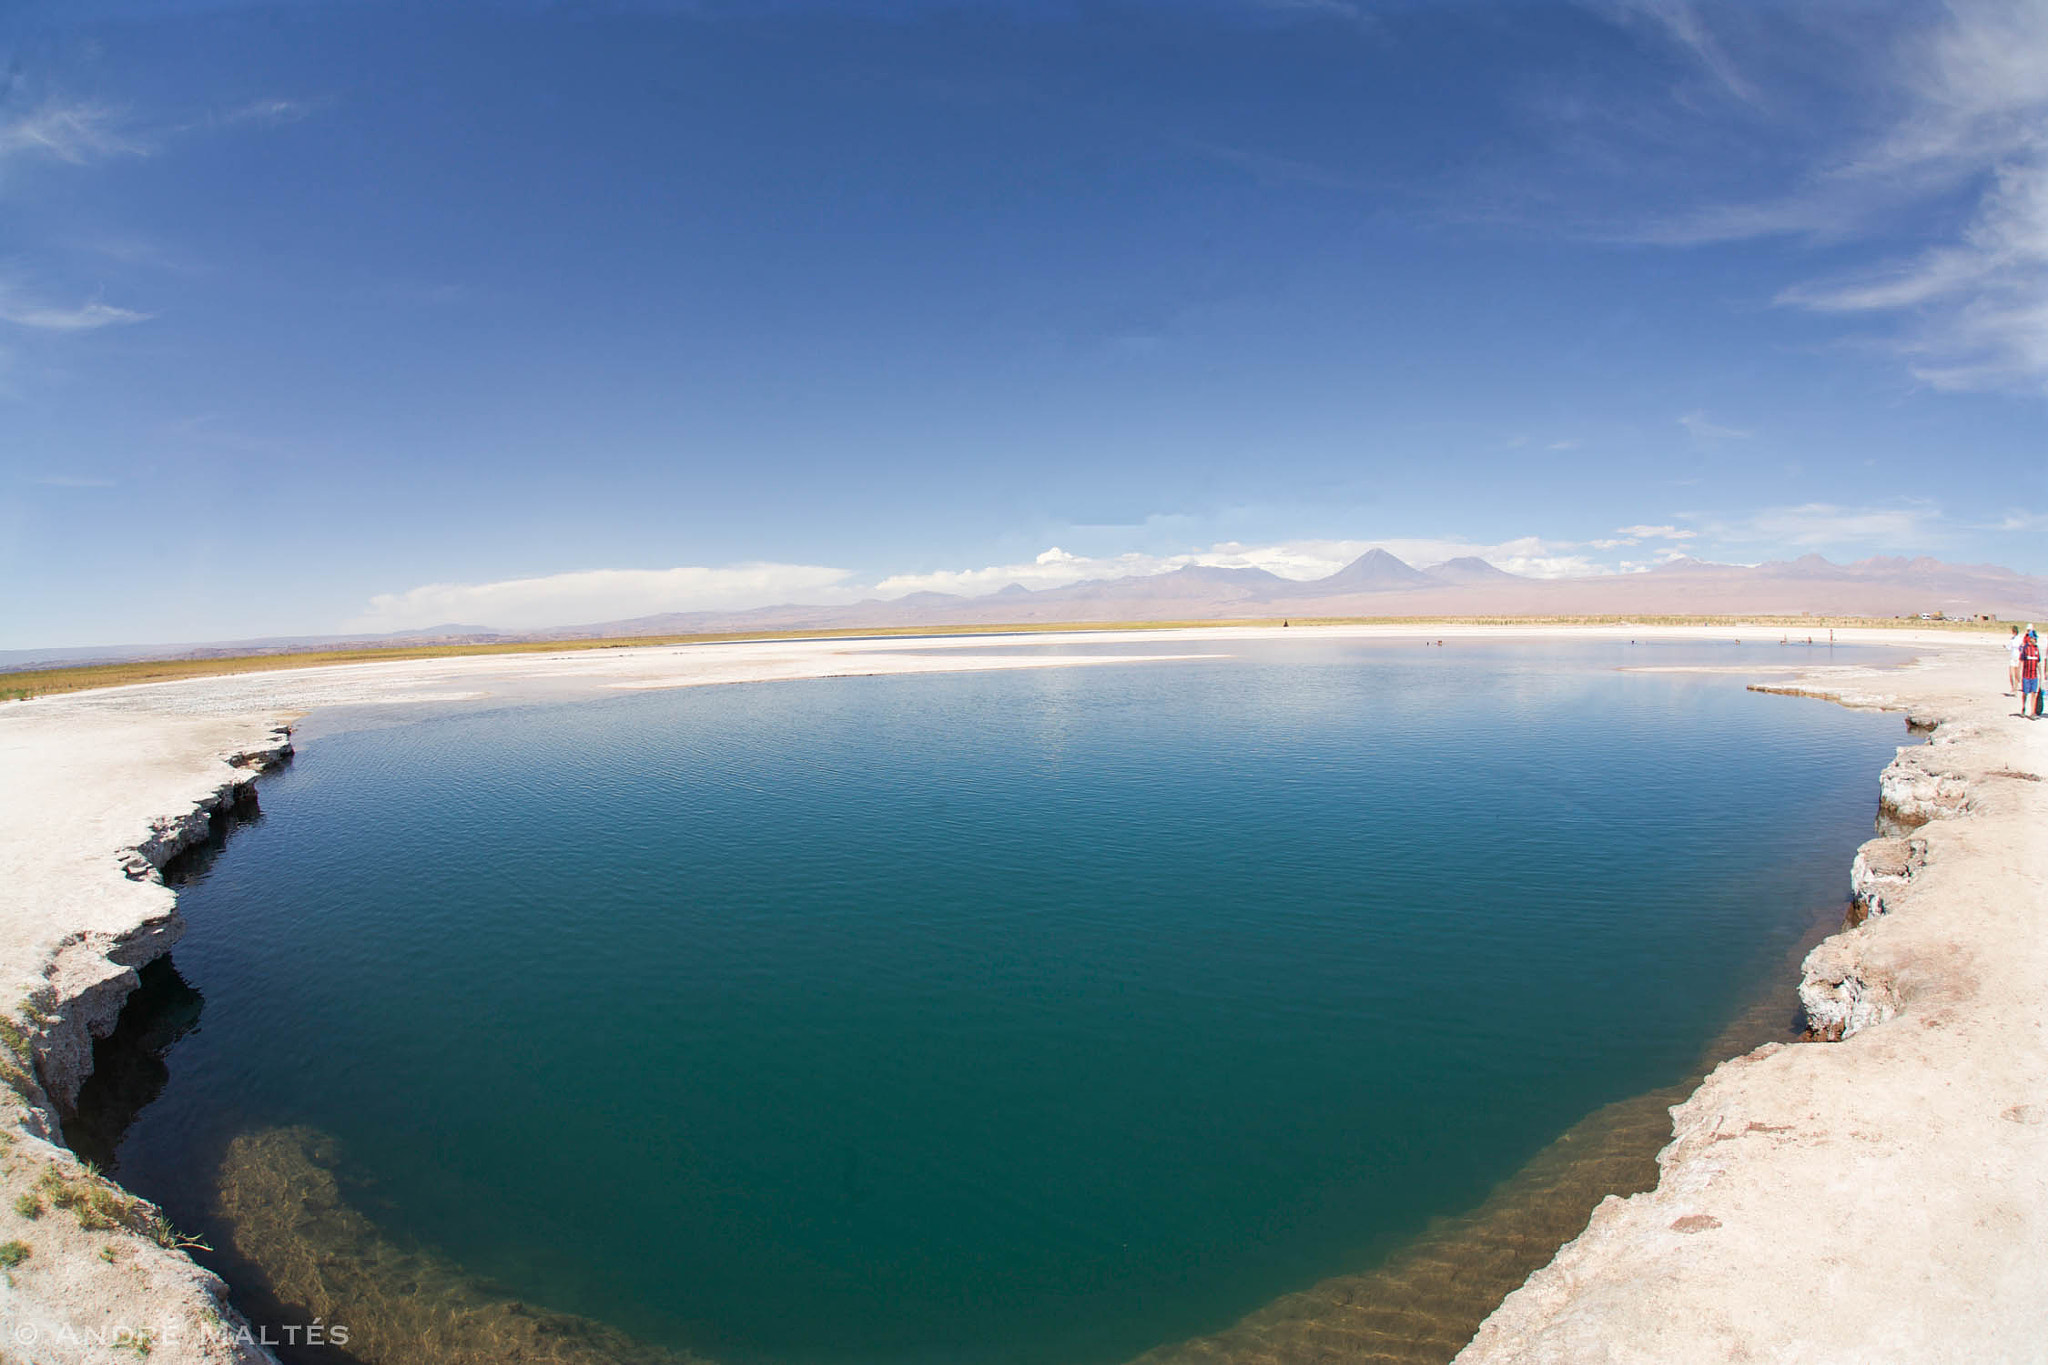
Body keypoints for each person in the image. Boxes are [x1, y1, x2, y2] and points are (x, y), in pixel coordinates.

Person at [2021, 628, 2041, 719]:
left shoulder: (2037, 649)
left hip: (2034, 675)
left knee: (2034, 693)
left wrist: (2040, 674)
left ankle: (2032, 712)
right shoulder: (2026, 649)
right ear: (2030, 638)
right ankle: (2023, 707)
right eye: (2034, 638)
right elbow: (2021, 661)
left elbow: (2038, 662)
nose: (2035, 640)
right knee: (2025, 693)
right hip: (2026, 675)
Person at [2008, 624, 2025, 696]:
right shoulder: (2012, 639)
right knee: (2011, 674)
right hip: (2012, 657)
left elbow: (2022, 648)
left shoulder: (2020, 639)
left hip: (2018, 657)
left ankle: (2015, 689)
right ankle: (2013, 687)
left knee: (2016, 674)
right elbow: (2009, 647)